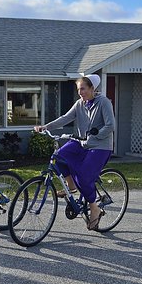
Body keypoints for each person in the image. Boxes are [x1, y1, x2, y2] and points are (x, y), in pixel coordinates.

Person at [33, 74, 115, 230]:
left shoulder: (104, 102)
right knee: (58, 157)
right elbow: (65, 118)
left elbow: (110, 125)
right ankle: (71, 187)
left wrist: (95, 135)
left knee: (84, 177)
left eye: (83, 89)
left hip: (100, 146)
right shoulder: (80, 104)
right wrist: (46, 127)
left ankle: (94, 208)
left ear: (92, 88)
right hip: (81, 142)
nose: (80, 92)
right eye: (79, 89)